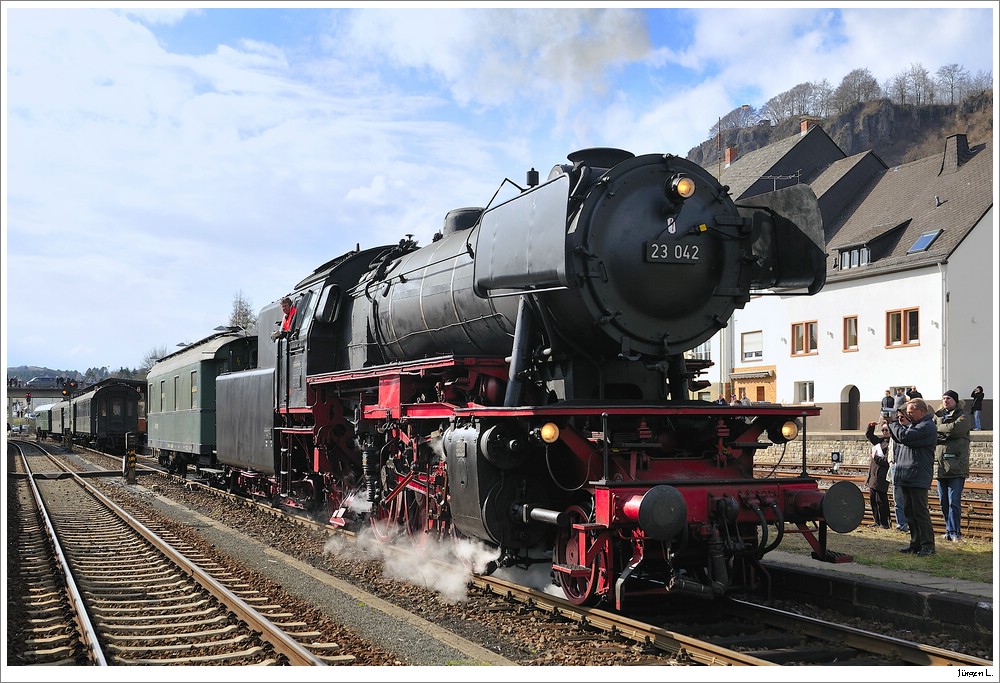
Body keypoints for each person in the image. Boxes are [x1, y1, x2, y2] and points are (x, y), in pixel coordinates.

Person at [886, 398, 938, 556]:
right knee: (909, 511)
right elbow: (899, 437)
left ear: (921, 411)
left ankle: (928, 545)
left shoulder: (926, 427)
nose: (907, 415)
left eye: (910, 412)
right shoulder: (915, 426)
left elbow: (905, 437)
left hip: (917, 474)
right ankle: (915, 543)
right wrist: (893, 424)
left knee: (920, 512)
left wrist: (893, 422)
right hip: (907, 474)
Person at [935, 390, 971, 542]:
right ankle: (948, 530)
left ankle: (956, 532)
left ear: (956, 401)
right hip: (941, 466)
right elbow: (933, 432)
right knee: (943, 501)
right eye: (943, 398)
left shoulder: (964, 416)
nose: (945, 400)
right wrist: (945, 430)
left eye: (948, 398)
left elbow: (955, 430)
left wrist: (941, 429)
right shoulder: (937, 415)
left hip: (957, 467)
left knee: (954, 501)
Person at [864, 419, 892, 528]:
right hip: (874, 474)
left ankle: (885, 523)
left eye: (887, 430)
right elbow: (870, 436)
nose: (884, 432)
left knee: (881, 500)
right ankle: (877, 521)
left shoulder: (891, 444)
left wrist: (875, 457)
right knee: (873, 499)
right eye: (883, 430)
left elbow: (886, 461)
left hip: (882, 475)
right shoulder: (880, 441)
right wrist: (871, 426)